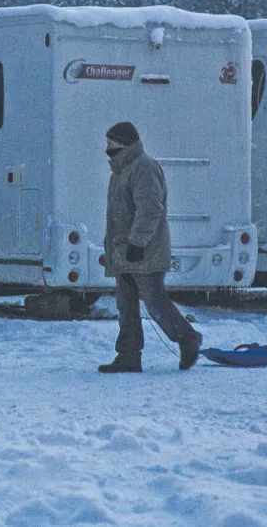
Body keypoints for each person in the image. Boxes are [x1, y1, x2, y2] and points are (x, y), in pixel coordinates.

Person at [98, 121, 202, 373]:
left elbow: (150, 209)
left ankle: (187, 338)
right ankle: (128, 355)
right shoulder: (120, 172)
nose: (107, 149)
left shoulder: (143, 168)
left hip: (143, 252)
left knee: (155, 303)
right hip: (125, 252)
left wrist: (137, 242)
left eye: (111, 144)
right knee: (126, 306)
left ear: (124, 144)